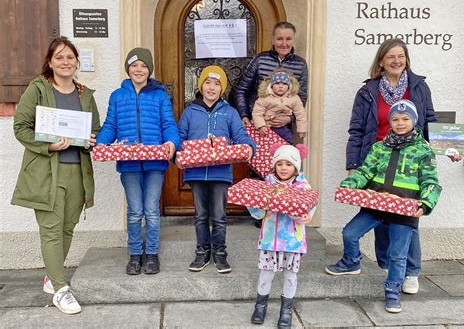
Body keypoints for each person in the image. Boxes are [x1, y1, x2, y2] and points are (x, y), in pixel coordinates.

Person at [11, 36, 100, 314]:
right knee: (50, 230)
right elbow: (21, 127)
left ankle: (52, 276)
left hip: (77, 171)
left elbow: (94, 127)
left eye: (70, 58)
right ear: (50, 62)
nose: (65, 62)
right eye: (59, 57)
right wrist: (47, 144)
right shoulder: (38, 88)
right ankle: (61, 289)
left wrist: (91, 138)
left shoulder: (84, 93)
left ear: (77, 63)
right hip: (47, 172)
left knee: (66, 228)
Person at [327, 100, 442, 313]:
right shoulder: (379, 147)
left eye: (405, 119)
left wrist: (426, 203)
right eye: (395, 119)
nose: (400, 123)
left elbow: (431, 181)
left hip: (403, 212)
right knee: (350, 233)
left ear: (414, 121)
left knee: (397, 255)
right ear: (389, 122)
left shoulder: (423, 150)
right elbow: (365, 172)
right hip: (375, 206)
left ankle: (392, 292)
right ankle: (351, 262)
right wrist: (349, 184)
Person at [346, 38, 437, 294]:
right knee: (379, 213)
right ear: (381, 61)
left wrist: (446, 148)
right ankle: (388, 264)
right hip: (378, 159)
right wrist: (353, 165)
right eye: (390, 57)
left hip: (409, 162)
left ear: (406, 59)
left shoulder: (419, 87)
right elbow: (356, 129)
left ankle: (411, 271)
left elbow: (430, 120)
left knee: (408, 219)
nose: (396, 61)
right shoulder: (368, 91)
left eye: (401, 56)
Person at [96, 47, 179, 276]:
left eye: (143, 66)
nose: (139, 69)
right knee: (134, 211)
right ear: (128, 69)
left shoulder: (160, 95)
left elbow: (169, 125)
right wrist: (101, 143)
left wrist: (172, 143)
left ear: (149, 70)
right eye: (134, 66)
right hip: (129, 164)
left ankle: (151, 254)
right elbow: (111, 125)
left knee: (151, 210)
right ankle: (134, 254)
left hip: (155, 165)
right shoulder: (117, 96)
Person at [178, 65, 256, 274]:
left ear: (222, 89)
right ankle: (202, 251)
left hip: (220, 173)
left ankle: (220, 252)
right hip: (195, 172)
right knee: (201, 215)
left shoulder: (229, 113)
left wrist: (249, 146)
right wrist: (176, 152)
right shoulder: (189, 112)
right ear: (200, 85)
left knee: (220, 216)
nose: (211, 87)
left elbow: (241, 136)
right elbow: (179, 139)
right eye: (207, 82)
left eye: (217, 83)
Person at [247, 143, 315, 327]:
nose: (284, 168)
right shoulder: (266, 184)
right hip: (270, 240)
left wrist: (297, 212)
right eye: (280, 163)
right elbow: (258, 213)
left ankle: (286, 311)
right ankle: (260, 307)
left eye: (288, 164)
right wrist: (254, 203)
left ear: (296, 167)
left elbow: (308, 212)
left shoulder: (303, 187)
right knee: (266, 275)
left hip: (292, 241)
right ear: (274, 165)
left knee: (290, 275)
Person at [235, 22, 308, 133]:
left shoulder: (300, 64)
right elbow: (241, 90)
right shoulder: (260, 59)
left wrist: (290, 118)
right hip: (258, 126)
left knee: (284, 151)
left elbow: (301, 97)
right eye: (279, 39)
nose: (284, 44)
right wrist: (244, 115)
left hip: (285, 129)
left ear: (293, 40)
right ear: (273, 40)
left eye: (288, 39)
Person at [252, 69, 307, 144]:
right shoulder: (265, 97)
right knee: (269, 145)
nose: (280, 86)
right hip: (269, 127)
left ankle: (289, 151)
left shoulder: (294, 98)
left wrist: (302, 129)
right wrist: (261, 126)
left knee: (289, 142)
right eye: (277, 83)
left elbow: (300, 114)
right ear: (271, 85)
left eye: (284, 84)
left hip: (285, 127)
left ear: (289, 86)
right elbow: (257, 113)